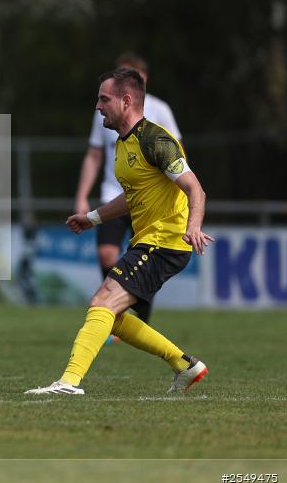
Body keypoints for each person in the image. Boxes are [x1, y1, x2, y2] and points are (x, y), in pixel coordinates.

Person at [27, 68, 212, 395]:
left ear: (126, 101)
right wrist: (93, 218)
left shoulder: (156, 140)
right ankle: (184, 365)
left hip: (165, 241)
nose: (97, 106)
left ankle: (69, 382)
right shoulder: (123, 145)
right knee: (110, 314)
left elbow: (195, 189)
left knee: (101, 301)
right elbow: (133, 196)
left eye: (104, 99)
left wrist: (193, 226)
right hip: (149, 241)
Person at [74, 53, 181, 328]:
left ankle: (129, 316)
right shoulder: (106, 114)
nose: (99, 105)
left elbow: (178, 160)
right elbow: (94, 155)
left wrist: (185, 208)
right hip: (116, 195)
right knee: (107, 254)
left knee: (144, 262)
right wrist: (83, 199)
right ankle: (114, 310)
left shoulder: (159, 113)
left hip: (151, 202)